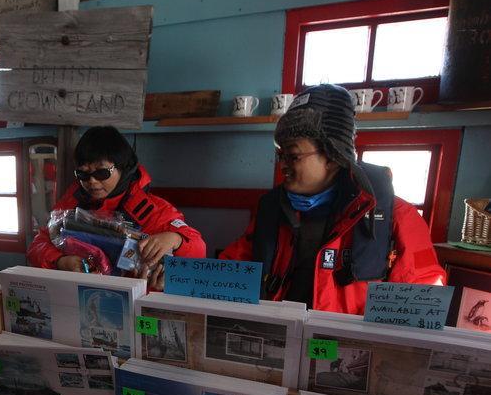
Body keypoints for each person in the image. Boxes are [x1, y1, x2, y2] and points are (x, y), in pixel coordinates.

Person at [221, 84, 445, 314]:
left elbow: (423, 297)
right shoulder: (272, 209)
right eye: (281, 155)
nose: (283, 165)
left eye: (293, 156)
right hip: (280, 330)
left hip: (347, 336)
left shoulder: (395, 216)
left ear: (333, 156)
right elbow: (232, 270)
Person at [27, 126, 206, 289]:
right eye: (83, 173)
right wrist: (60, 261)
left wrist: (176, 239)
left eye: (102, 172)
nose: (92, 181)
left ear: (123, 168)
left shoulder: (152, 210)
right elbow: (37, 245)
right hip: (82, 297)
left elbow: (198, 250)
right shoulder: (70, 205)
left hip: (138, 302)